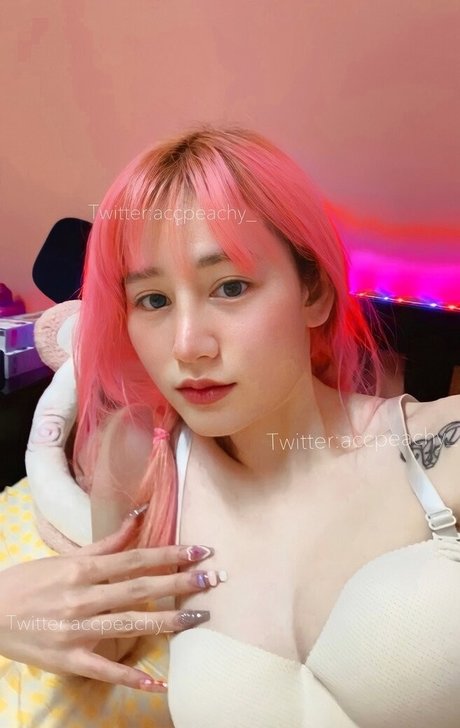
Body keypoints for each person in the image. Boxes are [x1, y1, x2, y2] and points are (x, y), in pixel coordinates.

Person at [1, 124, 460, 727]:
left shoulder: (439, 450)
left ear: (314, 293)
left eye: (231, 287)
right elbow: (112, 637)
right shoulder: (140, 456)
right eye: (154, 301)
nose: (187, 346)